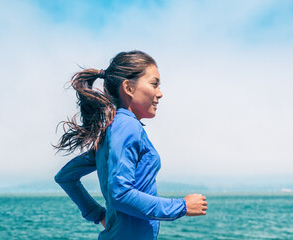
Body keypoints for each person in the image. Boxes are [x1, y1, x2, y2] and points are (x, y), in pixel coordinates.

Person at [54, 50, 208, 240]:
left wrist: (98, 214)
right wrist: (182, 206)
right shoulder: (126, 126)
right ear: (128, 88)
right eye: (154, 84)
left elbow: (65, 177)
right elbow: (120, 194)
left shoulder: (112, 130)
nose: (160, 93)